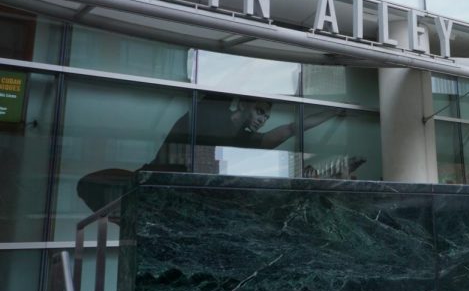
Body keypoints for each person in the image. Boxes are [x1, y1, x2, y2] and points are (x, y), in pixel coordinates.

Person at [76, 95, 344, 212]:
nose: (263, 118)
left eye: (266, 115)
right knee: (91, 188)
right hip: (154, 182)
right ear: (242, 103)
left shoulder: (243, 139)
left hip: (172, 193)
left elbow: (289, 129)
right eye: (260, 111)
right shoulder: (211, 111)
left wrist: (331, 111)